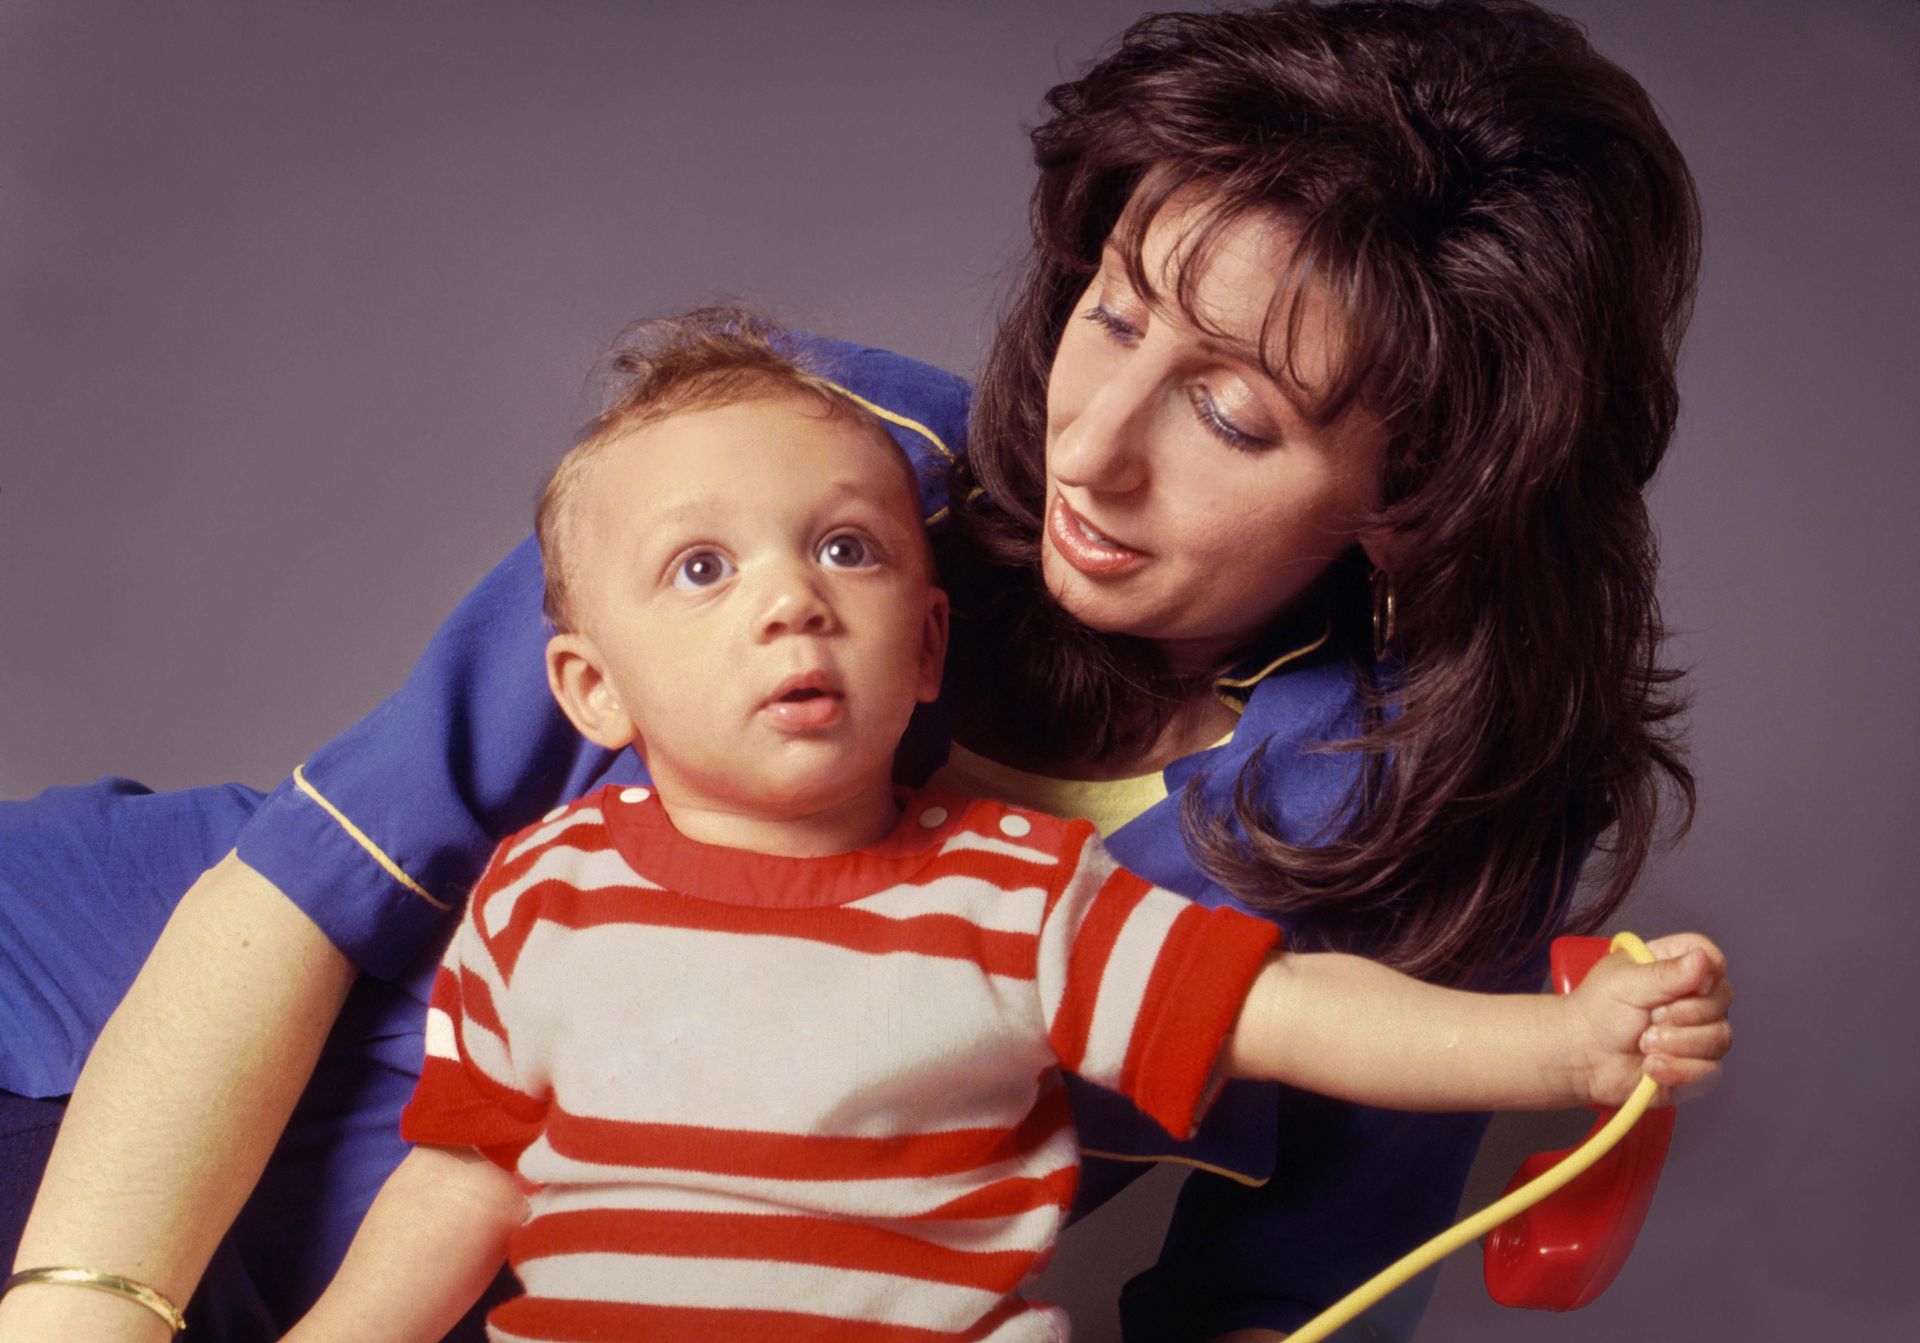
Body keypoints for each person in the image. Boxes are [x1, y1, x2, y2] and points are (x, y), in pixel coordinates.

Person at [0, 3, 1717, 1340]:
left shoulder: (1424, 823)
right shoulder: (821, 457)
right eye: (1115, 314)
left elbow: (1289, 1292)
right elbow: (305, 888)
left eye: (1231, 415)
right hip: (101, 1045)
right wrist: (85, 1312)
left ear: (1419, 492)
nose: (1091, 450)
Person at [271, 309, 1726, 1343]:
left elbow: (1286, 1012)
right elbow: (461, 1180)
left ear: (926, 652)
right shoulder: (541, 898)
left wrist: (1563, 1047)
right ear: (591, 686)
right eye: (703, 568)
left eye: (847, 547)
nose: (792, 598)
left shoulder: (1020, 894)